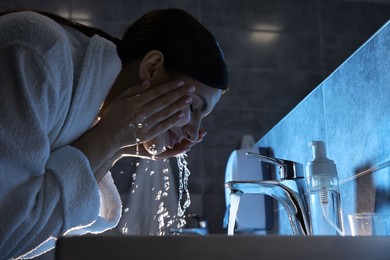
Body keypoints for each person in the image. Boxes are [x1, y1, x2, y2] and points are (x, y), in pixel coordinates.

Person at [0, 8, 228, 259]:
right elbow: (7, 235)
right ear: (152, 68)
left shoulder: (87, 110)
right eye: (194, 107)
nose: (193, 134)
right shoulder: (36, 53)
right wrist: (110, 136)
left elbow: (42, 229)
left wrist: (120, 147)